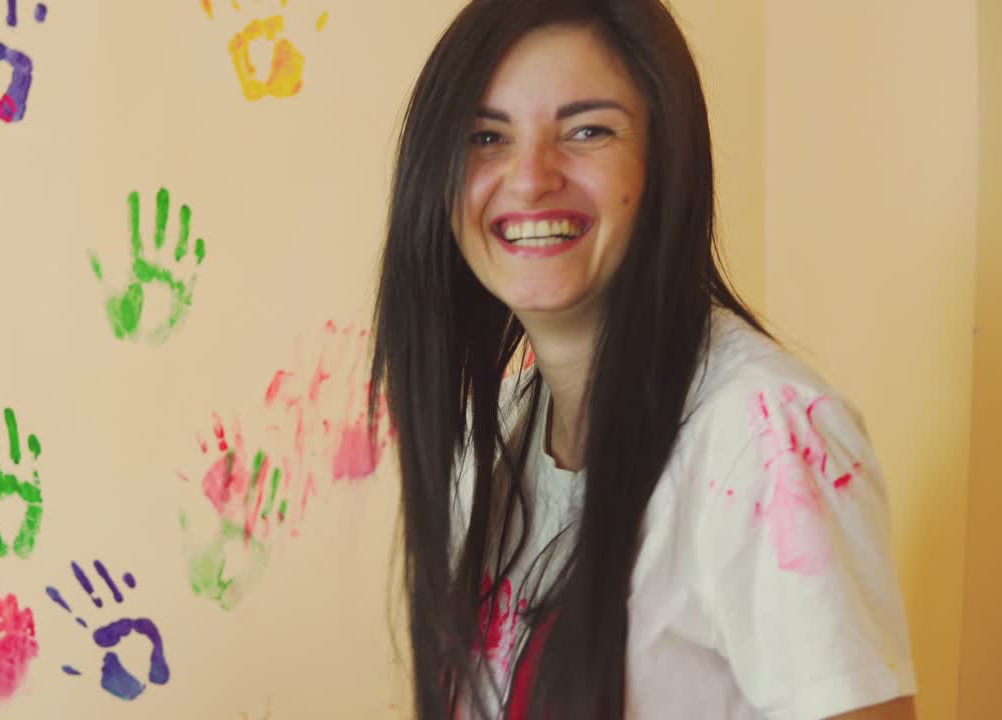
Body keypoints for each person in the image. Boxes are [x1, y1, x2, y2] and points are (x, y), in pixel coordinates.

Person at [367, 1, 918, 718]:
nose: (530, 178)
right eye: (485, 136)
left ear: (667, 161)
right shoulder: (496, 437)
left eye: (587, 130)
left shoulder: (765, 439)